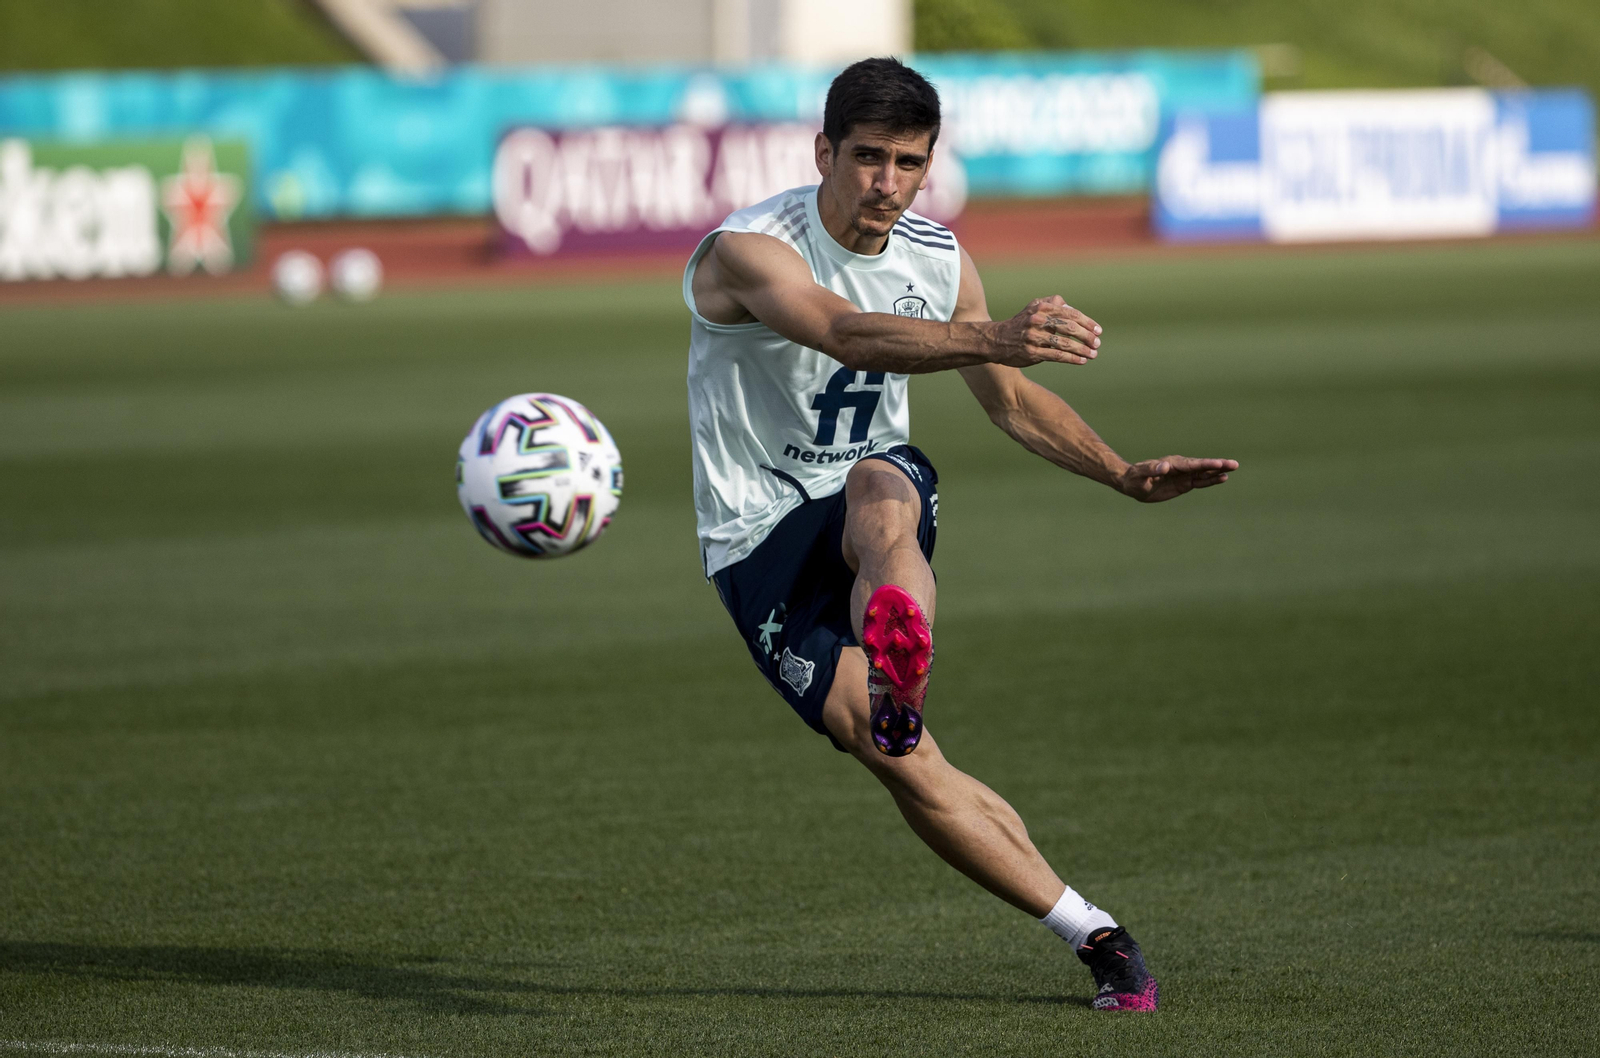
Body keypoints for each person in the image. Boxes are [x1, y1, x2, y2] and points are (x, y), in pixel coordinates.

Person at [682, 57, 1237, 1012]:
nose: (885, 184)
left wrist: (1120, 472)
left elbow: (1012, 402)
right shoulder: (747, 250)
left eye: (908, 163)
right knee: (897, 757)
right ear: (824, 151)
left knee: (879, 487)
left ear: (929, 165)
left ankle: (902, 650)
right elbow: (844, 332)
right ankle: (1096, 933)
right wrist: (994, 336)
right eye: (865, 158)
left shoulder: (939, 259)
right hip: (754, 536)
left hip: (865, 492)